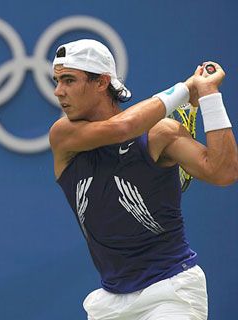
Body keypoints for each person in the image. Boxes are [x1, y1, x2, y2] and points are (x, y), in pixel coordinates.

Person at [49, 39, 238, 320]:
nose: (58, 91)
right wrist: (186, 90)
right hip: (109, 303)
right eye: (57, 81)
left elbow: (223, 172)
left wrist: (209, 95)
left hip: (171, 292)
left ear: (101, 83)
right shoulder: (63, 135)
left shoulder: (161, 134)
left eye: (68, 80)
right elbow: (124, 127)